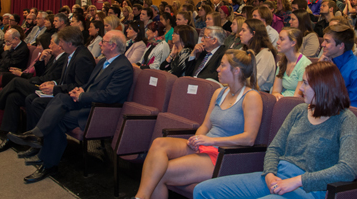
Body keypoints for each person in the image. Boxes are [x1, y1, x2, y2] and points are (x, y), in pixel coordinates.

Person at [194, 61, 357, 199]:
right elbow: (274, 148)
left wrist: (297, 181)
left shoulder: (345, 119)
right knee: (203, 190)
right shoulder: (299, 110)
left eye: (306, 83)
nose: (301, 89)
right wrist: (270, 174)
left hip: (310, 188)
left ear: (322, 87)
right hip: (278, 175)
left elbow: (348, 169)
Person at [134, 49, 263, 199]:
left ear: (236, 71)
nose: (217, 69)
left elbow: (249, 138)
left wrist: (211, 140)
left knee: (158, 172)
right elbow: (205, 125)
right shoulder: (219, 93)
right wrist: (197, 139)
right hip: (205, 145)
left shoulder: (251, 97)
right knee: (159, 144)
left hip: (221, 155)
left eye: (222, 65)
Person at [7, 30, 133, 183]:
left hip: (98, 111)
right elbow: (90, 84)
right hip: (86, 103)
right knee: (60, 97)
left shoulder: (123, 67)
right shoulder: (102, 62)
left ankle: (47, 162)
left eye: (103, 42)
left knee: (58, 118)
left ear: (112, 46)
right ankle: (38, 139)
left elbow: (111, 96)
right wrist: (80, 90)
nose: (99, 43)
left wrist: (82, 95)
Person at [319, 24, 357, 107]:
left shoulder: (354, 70)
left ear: (341, 46)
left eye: (327, 41)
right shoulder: (329, 60)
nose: (322, 44)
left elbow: (353, 108)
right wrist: (319, 68)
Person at [272, 28, 312, 100]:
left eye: (282, 39)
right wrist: (277, 96)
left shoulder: (304, 64)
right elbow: (275, 91)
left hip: (295, 104)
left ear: (293, 43)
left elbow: (297, 98)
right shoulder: (282, 63)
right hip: (284, 100)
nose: (278, 42)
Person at [239, 19, 276, 92]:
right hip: (242, 89)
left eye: (243, 30)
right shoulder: (242, 50)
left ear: (253, 34)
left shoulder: (266, 54)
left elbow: (255, 82)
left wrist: (234, 81)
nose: (240, 33)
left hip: (259, 94)